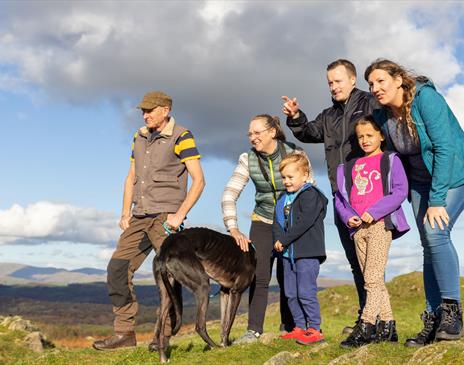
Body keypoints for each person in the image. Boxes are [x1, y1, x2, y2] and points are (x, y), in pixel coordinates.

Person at [92, 91, 205, 350]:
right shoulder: (139, 136)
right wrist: (124, 212)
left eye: (150, 110)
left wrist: (179, 215)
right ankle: (124, 334)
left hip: (165, 218)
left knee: (168, 275)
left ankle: (163, 335)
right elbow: (131, 174)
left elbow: (199, 180)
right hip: (140, 216)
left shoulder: (182, 136)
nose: (145, 115)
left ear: (165, 110)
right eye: (143, 111)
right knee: (117, 269)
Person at [365, 59, 464, 347]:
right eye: (371, 84)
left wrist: (436, 200)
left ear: (398, 79)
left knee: (436, 233)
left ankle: (452, 315)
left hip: (453, 174)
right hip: (420, 182)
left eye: (381, 80)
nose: (375, 88)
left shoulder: (426, 99)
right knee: (428, 244)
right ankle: (434, 319)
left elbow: (445, 147)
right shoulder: (382, 115)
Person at [282, 59, 379, 333]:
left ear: (352, 79)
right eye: (329, 83)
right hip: (340, 195)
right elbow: (308, 132)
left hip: (366, 192)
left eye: (337, 81)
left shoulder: (370, 104)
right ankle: (366, 316)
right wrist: (295, 117)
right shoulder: (328, 115)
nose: (333, 87)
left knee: (370, 260)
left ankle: (378, 319)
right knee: (353, 259)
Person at [222, 114, 313, 343]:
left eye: (257, 133)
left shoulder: (295, 153)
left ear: (272, 132)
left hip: (289, 223)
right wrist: (233, 229)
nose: (252, 138)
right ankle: (254, 330)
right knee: (259, 276)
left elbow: (310, 187)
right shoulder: (247, 159)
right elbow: (229, 194)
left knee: (287, 275)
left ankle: (289, 326)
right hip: (262, 222)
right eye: (249, 134)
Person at [335, 116, 410, 348]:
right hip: (357, 229)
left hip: (380, 224)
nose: (365, 140)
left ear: (381, 136)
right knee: (374, 280)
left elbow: (400, 191)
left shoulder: (390, 160)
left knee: (372, 278)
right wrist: (349, 218)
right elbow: (339, 199)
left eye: (369, 135)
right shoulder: (348, 167)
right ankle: (388, 327)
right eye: (360, 137)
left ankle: (366, 325)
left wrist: (375, 212)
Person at [273, 152, 328, 345]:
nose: (286, 181)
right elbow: (277, 223)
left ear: (305, 175)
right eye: (284, 177)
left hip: (307, 253)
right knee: (290, 293)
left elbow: (304, 221)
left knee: (306, 292)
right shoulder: (282, 199)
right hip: (287, 255)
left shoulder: (311, 195)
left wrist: (285, 239)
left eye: (291, 177)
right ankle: (300, 327)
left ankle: (314, 328)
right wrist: (278, 240)